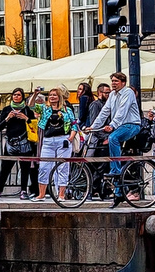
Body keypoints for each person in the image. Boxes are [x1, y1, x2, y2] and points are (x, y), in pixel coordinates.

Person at [85, 71, 142, 205]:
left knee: (112, 138)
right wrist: (92, 127)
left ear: (123, 83)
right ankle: (118, 193)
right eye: (112, 81)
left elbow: (122, 111)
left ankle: (115, 169)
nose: (113, 84)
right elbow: (105, 111)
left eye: (116, 81)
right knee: (113, 142)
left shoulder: (128, 93)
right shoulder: (112, 95)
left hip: (131, 124)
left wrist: (112, 125)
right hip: (121, 125)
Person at [0, 88, 37, 200]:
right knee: (5, 168)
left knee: (25, 168)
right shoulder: (7, 109)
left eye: (19, 95)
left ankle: (23, 191)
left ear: (22, 97)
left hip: (25, 142)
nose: (16, 97)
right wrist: (8, 118)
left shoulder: (27, 110)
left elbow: (34, 125)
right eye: (14, 95)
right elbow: (0, 127)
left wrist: (26, 118)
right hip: (11, 142)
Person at [36, 87, 77, 202]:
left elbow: (74, 124)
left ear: (59, 97)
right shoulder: (45, 109)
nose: (52, 97)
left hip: (63, 139)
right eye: (50, 95)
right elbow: (31, 106)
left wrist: (71, 137)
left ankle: (61, 194)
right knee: (44, 167)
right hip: (48, 140)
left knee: (62, 167)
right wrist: (35, 94)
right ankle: (41, 194)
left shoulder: (67, 110)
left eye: (55, 95)